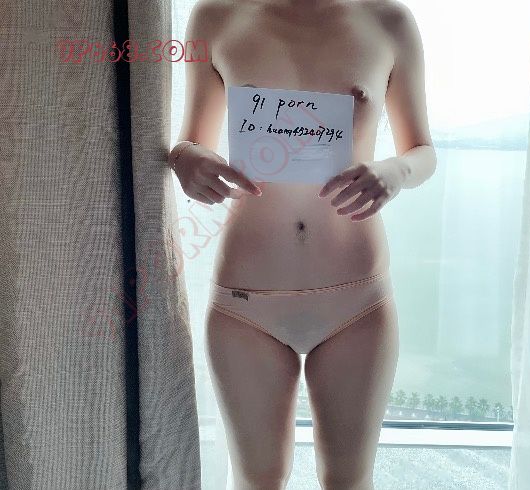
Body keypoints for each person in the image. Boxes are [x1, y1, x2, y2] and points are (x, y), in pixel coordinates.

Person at [169, 0, 436, 488]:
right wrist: (186, 161)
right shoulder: (215, 15)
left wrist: (396, 171)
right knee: (256, 481)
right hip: (245, 300)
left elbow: (423, 150)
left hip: (356, 298)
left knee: (349, 482)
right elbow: (191, 140)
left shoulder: (388, 19)